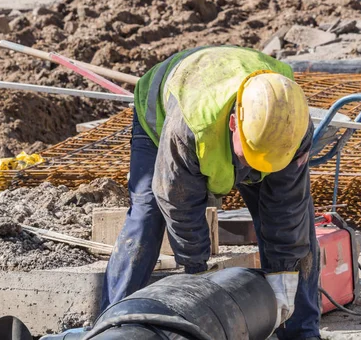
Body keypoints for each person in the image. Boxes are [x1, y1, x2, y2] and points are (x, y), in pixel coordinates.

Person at [101, 45, 321, 340]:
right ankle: (115, 324)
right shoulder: (191, 127)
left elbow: (286, 212)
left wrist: (284, 284)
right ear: (233, 125)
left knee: (300, 231)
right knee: (147, 215)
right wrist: (198, 275)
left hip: (241, 98)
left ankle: (302, 334)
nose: (252, 170)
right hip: (164, 113)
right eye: (249, 157)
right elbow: (179, 204)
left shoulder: (290, 129)